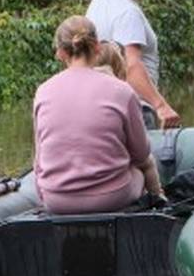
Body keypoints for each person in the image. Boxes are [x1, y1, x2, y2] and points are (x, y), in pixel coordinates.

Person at [33, 16, 164, 214]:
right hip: (112, 197)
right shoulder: (122, 91)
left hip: (56, 201)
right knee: (143, 167)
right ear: (97, 47)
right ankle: (161, 201)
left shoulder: (42, 92)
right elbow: (140, 154)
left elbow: (39, 159)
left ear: (60, 53)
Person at [86, 0, 181, 129]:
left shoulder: (99, 1)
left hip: (102, 110)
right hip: (136, 110)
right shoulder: (128, 12)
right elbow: (132, 66)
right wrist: (161, 106)